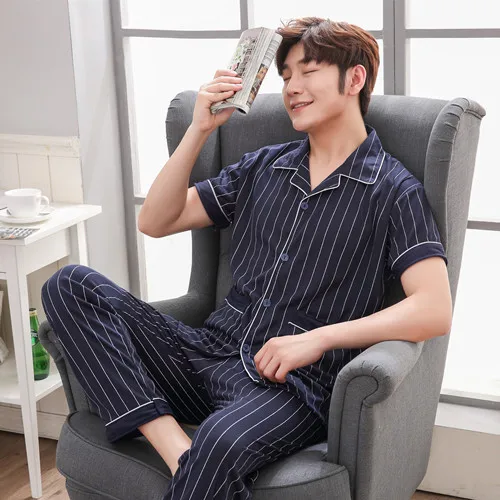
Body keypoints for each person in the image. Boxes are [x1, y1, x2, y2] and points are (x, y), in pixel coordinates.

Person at [41, 17, 452, 500]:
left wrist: (317, 340)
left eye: (308, 71)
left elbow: (433, 308)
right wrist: (199, 129)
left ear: (354, 78)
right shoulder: (264, 165)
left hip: (289, 386)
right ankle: (176, 448)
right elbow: (155, 220)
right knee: (68, 284)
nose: (292, 88)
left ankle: (195, 459)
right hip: (206, 352)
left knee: (219, 441)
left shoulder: (394, 191)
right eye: (286, 76)